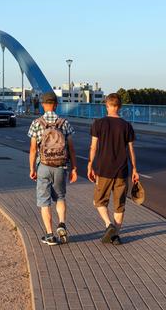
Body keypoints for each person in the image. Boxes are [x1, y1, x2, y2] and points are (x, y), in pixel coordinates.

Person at [87, 93, 139, 245]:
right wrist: (135, 169)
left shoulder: (98, 123)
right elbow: (131, 150)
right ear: (120, 107)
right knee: (119, 205)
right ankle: (116, 235)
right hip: (122, 170)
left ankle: (108, 225)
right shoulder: (126, 126)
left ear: (107, 106)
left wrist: (90, 164)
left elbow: (93, 147)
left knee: (99, 201)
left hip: (103, 169)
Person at [28, 91, 78, 245]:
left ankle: (49, 235)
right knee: (60, 197)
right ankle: (61, 223)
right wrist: (74, 168)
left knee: (44, 201)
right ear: (56, 105)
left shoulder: (37, 123)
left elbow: (32, 150)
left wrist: (32, 169)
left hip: (43, 165)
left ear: (43, 105)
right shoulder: (64, 123)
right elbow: (71, 148)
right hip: (61, 166)